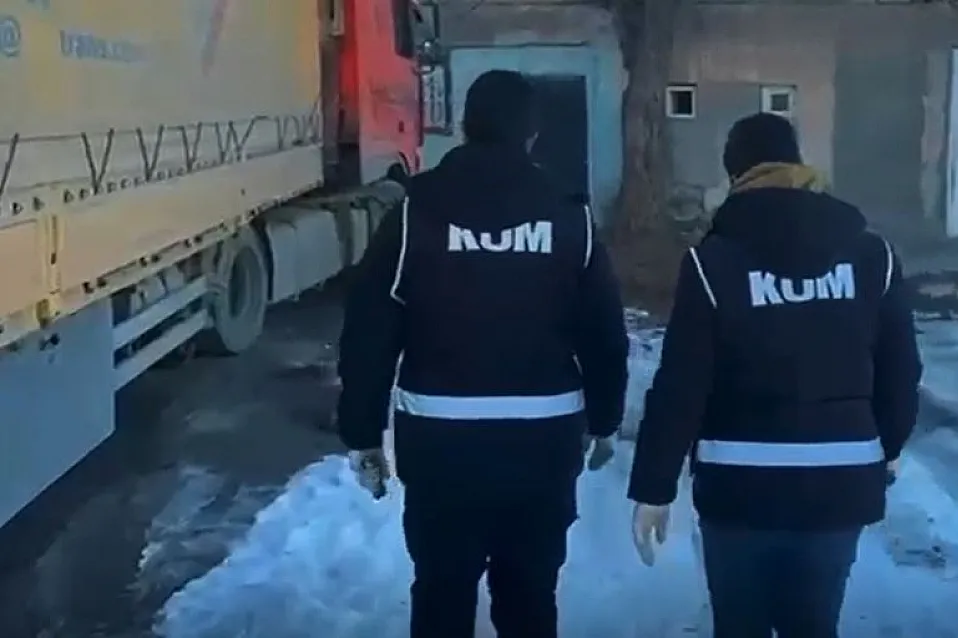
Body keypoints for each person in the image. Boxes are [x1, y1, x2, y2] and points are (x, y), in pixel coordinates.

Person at [335, 69, 629, 638]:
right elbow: (603, 332)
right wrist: (605, 419)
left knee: (441, 592)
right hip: (542, 446)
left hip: (441, 448)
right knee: (530, 596)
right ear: (532, 135)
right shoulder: (570, 216)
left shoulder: (414, 212)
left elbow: (370, 329)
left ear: (465, 127)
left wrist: (363, 433)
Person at [627, 113, 922, 638]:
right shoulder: (871, 255)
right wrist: (889, 442)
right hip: (838, 482)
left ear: (735, 175)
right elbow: (900, 368)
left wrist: (655, 486)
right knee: (814, 625)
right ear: (798, 164)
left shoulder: (712, 262)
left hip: (739, 488)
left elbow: (682, 385)